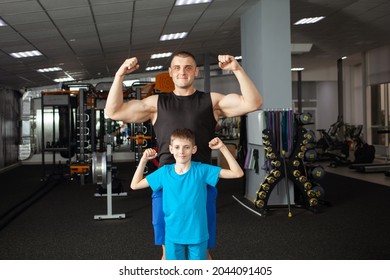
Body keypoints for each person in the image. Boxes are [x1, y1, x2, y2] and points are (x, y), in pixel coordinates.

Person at [105, 51, 263, 259]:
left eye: (188, 67)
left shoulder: (211, 101)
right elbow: (113, 112)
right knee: (168, 251)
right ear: (170, 73)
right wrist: (119, 76)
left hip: (200, 183)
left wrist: (237, 69)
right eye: (177, 67)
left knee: (202, 250)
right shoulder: (156, 104)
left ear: (196, 72)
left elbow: (253, 103)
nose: (183, 71)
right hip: (166, 184)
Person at [130, 128, 244, 260]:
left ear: (194, 149)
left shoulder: (202, 170)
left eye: (186, 147)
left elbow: (237, 173)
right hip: (173, 235)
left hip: (197, 234)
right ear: (171, 149)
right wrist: (143, 160)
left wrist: (223, 148)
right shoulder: (164, 172)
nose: (181, 152)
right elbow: (135, 185)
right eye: (177, 147)